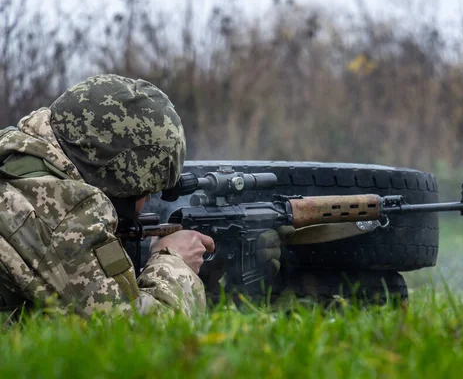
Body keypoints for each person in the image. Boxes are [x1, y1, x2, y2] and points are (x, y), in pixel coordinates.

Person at [0, 74, 282, 317]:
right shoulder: (66, 213)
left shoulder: (17, 162)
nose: (147, 201)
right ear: (118, 178)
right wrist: (173, 261)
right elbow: (141, 340)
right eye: (145, 190)